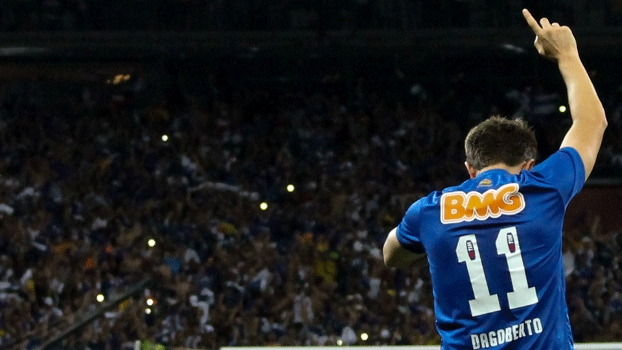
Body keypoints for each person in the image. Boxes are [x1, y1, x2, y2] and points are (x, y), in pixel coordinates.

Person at [383, 9, 607, 350]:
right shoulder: (542, 189)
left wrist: (433, 241)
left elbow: (391, 254)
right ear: (529, 164)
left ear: (470, 168)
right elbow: (591, 123)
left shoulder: (428, 211)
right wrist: (568, 56)